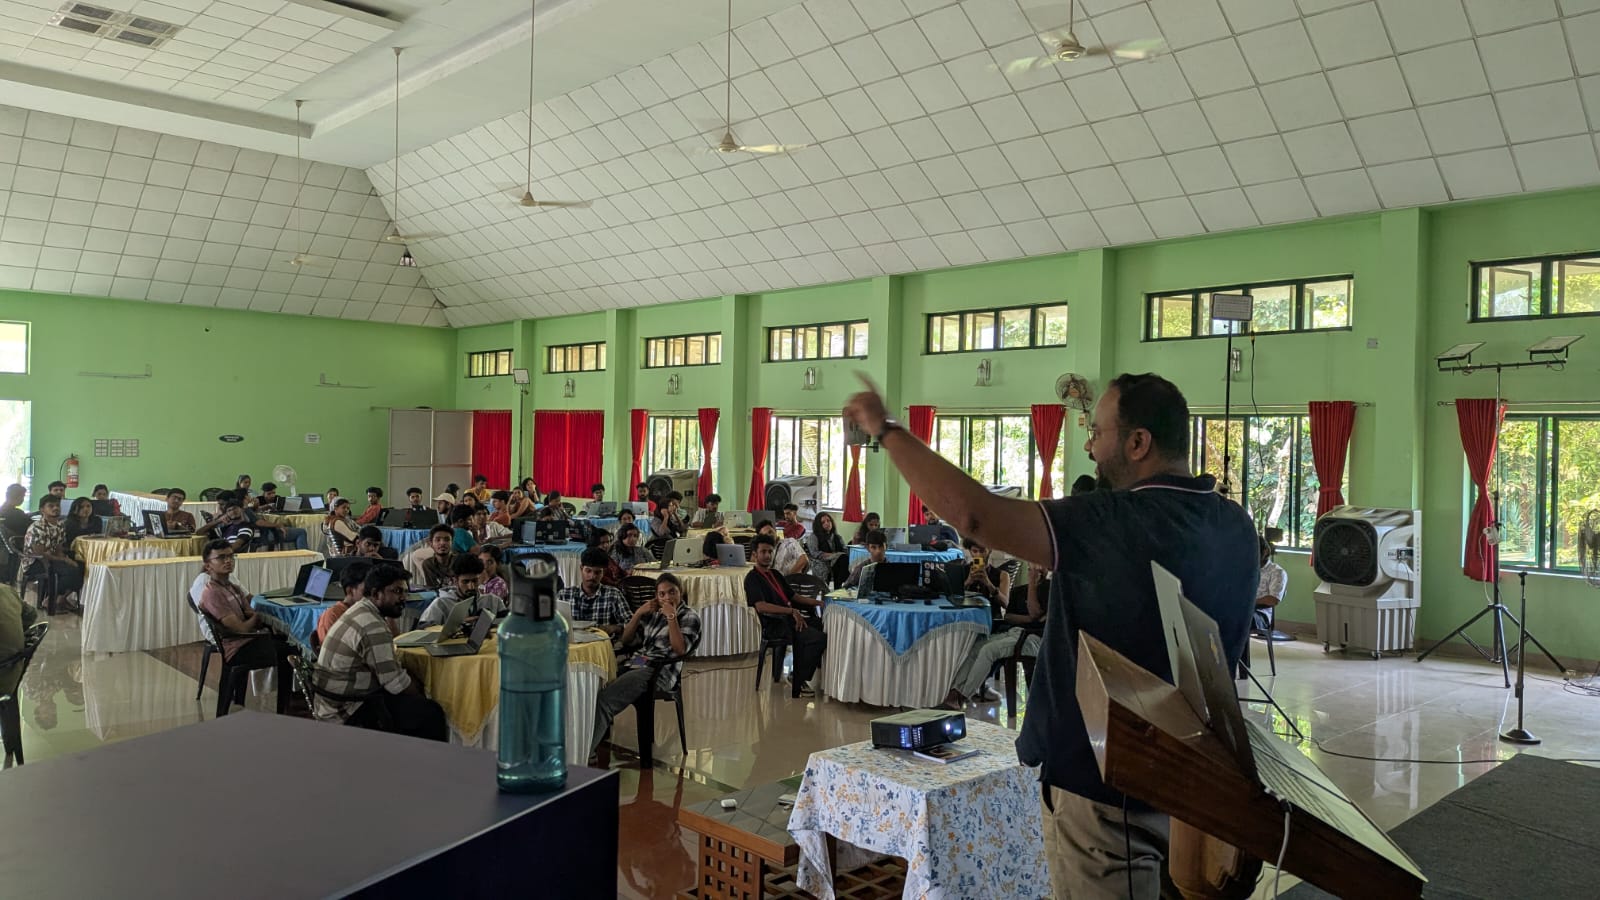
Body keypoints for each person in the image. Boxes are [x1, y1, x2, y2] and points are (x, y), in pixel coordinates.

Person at [843, 371, 1258, 899]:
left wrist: (885, 428)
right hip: (1199, 788)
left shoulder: (1112, 518)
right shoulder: (1235, 525)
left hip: (1106, 792)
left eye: (1098, 432)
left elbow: (974, 514)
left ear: (1138, 443)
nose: (1089, 446)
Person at [314, 563, 447, 741]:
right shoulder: (372, 626)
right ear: (376, 594)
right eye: (397, 592)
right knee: (431, 712)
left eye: (405, 592)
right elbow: (395, 684)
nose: (404, 598)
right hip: (348, 709)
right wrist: (426, 694)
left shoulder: (360, 610)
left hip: (333, 701)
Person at [588, 573, 701, 758]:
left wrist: (672, 618)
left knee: (605, 700)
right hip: (638, 662)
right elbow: (626, 640)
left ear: (681, 592)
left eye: (672, 592)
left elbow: (680, 649)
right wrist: (639, 613)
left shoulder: (690, 616)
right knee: (592, 685)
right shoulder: (654, 615)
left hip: (659, 671)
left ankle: (586, 753)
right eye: (662, 594)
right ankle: (589, 739)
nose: (667, 598)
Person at [197, 539, 294, 712]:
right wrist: (258, 617)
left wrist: (257, 617)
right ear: (208, 566)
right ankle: (285, 708)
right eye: (220, 558)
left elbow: (249, 613)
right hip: (238, 648)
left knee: (287, 640)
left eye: (230, 556)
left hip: (248, 641)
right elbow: (241, 629)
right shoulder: (212, 593)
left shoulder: (232, 587)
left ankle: (290, 702)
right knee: (291, 650)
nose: (228, 561)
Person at [942, 566, 1050, 709]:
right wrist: (1031, 619)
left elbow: (1034, 611)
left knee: (989, 650)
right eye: (1033, 565)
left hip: (1035, 638)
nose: (1037, 569)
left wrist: (1032, 584)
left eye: (1040, 565)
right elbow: (1010, 616)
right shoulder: (1019, 590)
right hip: (1014, 632)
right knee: (977, 646)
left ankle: (961, 697)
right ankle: (954, 693)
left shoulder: (1050, 589)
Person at [744, 534, 826, 698]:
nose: (767, 555)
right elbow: (761, 606)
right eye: (763, 552)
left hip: (789, 619)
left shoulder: (775, 574)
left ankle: (801, 674)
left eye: (770, 551)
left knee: (822, 626)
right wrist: (791, 611)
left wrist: (818, 603)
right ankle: (798, 678)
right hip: (775, 625)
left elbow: (794, 597)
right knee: (819, 638)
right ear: (754, 555)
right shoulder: (752, 578)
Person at [21, 496, 82, 607]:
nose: (55, 508)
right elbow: (40, 553)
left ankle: (60, 598)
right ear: (42, 510)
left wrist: (66, 559)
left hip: (52, 559)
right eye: (51, 506)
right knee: (69, 571)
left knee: (81, 567)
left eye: (57, 505)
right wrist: (64, 560)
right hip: (36, 562)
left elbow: (58, 548)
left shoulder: (60, 525)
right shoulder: (37, 527)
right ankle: (49, 601)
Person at [559, 548, 630, 636]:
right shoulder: (565, 595)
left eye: (597, 572)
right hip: (573, 647)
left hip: (602, 646)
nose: (592, 576)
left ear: (603, 572)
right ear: (581, 569)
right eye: (588, 571)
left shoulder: (613, 595)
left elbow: (630, 623)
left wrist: (615, 628)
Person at [420, 552, 503, 626]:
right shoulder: (441, 604)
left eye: (475, 581)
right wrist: (456, 626)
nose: (471, 587)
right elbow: (423, 630)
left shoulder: (493, 601)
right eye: (465, 582)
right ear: (455, 581)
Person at [316, 559, 372, 648]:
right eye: (367, 591)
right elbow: (332, 654)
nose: (373, 595)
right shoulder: (333, 615)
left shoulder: (369, 611)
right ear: (350, 591)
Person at [961, 538, 1014, 626]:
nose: (978, 555)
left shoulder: (1002, 575)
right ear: (970, 551)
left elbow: (1005, 603)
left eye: (982, 551)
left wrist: (988, 584)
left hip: (991, 619)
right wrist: (968, 582)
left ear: (989, 550)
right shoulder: (962, 571)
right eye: (974, 551)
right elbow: (953, 597)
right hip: (966, 618)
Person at [1254, 534, 1288, 637]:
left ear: (1264, 552)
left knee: (1235, 618)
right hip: (1241, 610)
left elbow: (1273, 600)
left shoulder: (1277, 572)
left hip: (1259, 615)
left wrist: (1248, 603)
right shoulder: (1244, 569)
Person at [804, 512, 849, 586]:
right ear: (819, 525)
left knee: (844, 558)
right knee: (843, 558)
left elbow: (845, 550)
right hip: (822, 562)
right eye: (823, 522)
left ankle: (839, 587)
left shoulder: (837, 537)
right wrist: (834, 555)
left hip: (837, 562)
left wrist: (838, 555)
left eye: (828, 521)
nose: (827, 523)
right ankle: (839, 587)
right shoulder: (814, 537)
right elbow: (815, 553)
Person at [406, 525, 456, 590]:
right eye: (438, 540)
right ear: (431, 544)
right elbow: (432, 589)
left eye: (447, 540)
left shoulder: (460, 561)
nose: (442, 543)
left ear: (452, 543)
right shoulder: (428, 564)